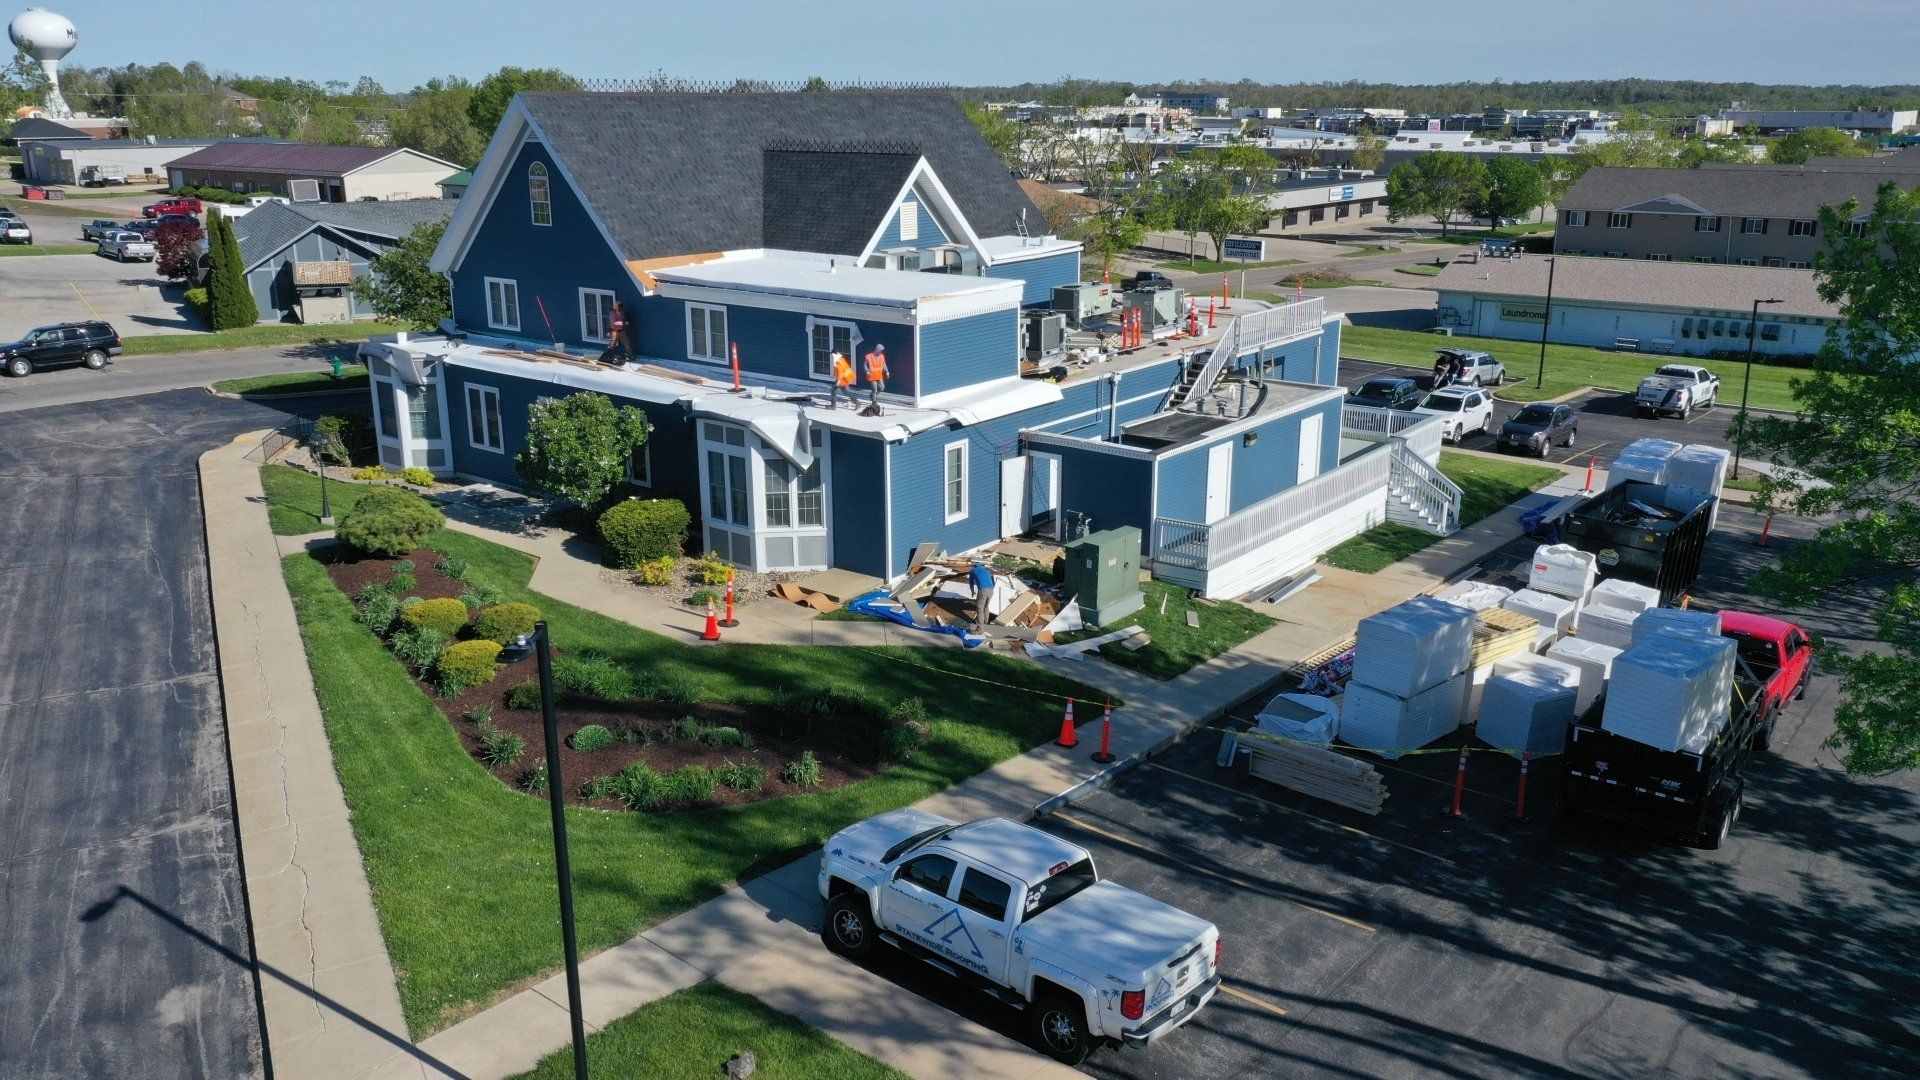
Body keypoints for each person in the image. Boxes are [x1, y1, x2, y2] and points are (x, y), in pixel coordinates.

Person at [599, 300, 632, 365]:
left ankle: (631, 356)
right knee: (612, 344)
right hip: (614, 331)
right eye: (618, 305)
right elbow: (614, 323)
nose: (620, 307)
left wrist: (625, 321)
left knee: (627, 343)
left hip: (621, 330)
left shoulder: (622, 313)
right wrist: (624, 323)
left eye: (620, 305)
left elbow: (623, 319)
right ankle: (606, 357)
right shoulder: (612, 313)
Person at [969, 559, 994, 632]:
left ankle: (980, 629)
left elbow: (971, 583)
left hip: (983, 590)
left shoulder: (972, 571)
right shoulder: (986, 571)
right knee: (986, 607)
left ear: (974, 566)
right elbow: (991, 581)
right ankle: (985, 623)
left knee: (979, 609)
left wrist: (972, 591)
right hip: (991, 590)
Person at [863, 344, 889, 408]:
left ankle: (872, 395)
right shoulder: (869, 356)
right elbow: (865, 365)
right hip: (872, 376)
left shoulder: (882, 356)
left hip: (879, 375)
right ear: (877, 350)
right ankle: (874, 402)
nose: (881, 352)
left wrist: (887, 372)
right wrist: (867, 371)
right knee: (874, 389)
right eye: (880, 350)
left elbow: (884, 364)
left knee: (882, 387)